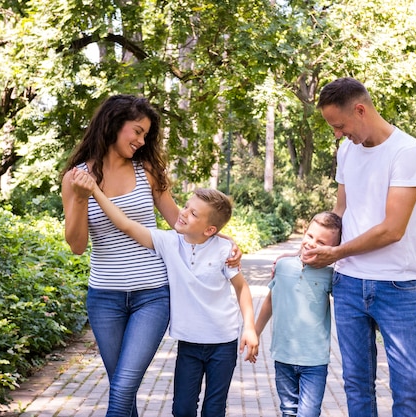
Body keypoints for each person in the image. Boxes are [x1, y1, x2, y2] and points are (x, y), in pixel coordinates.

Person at [61, 95, 240, 417]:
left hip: (152, 294)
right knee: (121, 387)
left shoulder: (146, 170)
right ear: (114, 125)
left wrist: (223, 240)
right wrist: (79, 197)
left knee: (125, 384)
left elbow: (178, 222)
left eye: (146, 135)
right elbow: (76, 245)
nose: (142, 141)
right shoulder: (75, 178)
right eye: (138, 131)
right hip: (104, 297)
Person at [72, 169, 258, 417]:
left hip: (223, 343)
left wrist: (249, 328)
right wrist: (95, 191)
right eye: (186, 207)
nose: (183, 213)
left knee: (214, 409)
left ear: (209, 229)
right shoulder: (169, 242)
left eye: (194, 214)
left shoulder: (224, 250)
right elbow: (126, 224)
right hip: (189, 344)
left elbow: (242, 288)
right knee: (182, 409)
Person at [302, 77, 416, 417]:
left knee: (407, 387)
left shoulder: (407, 153)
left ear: (360, 110)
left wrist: (337, 253)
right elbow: (341, 211)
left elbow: (392, 230)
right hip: (348, 286)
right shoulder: (347, 150)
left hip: (396, 286)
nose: (337, 135)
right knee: (356, 385)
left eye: (340, 125)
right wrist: (313, 248)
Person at [255, 211, 342, 417]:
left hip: (315, 360)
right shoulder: (283, 266)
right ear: (304, 232)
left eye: (321, 242)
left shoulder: (331, 276)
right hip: (283, 354)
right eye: (310, 236)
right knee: (288, 410)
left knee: (308, 413)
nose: (312, 243)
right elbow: (270, 302)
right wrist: (255, 333)